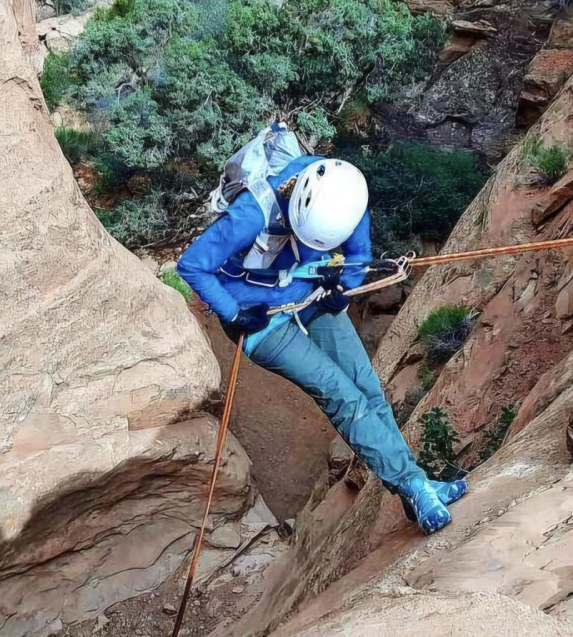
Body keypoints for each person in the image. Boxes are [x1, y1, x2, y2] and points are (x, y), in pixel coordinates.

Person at [176, 152, 467, 533]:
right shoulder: (253, 214)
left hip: (312, 292)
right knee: (340, 394)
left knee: (367, 387)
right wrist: (232, 312)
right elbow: (192, 264)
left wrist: (344, 290)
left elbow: (358, 255)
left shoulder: (345, 198)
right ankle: (414, 486)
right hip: (257, 319)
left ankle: (414, 487)